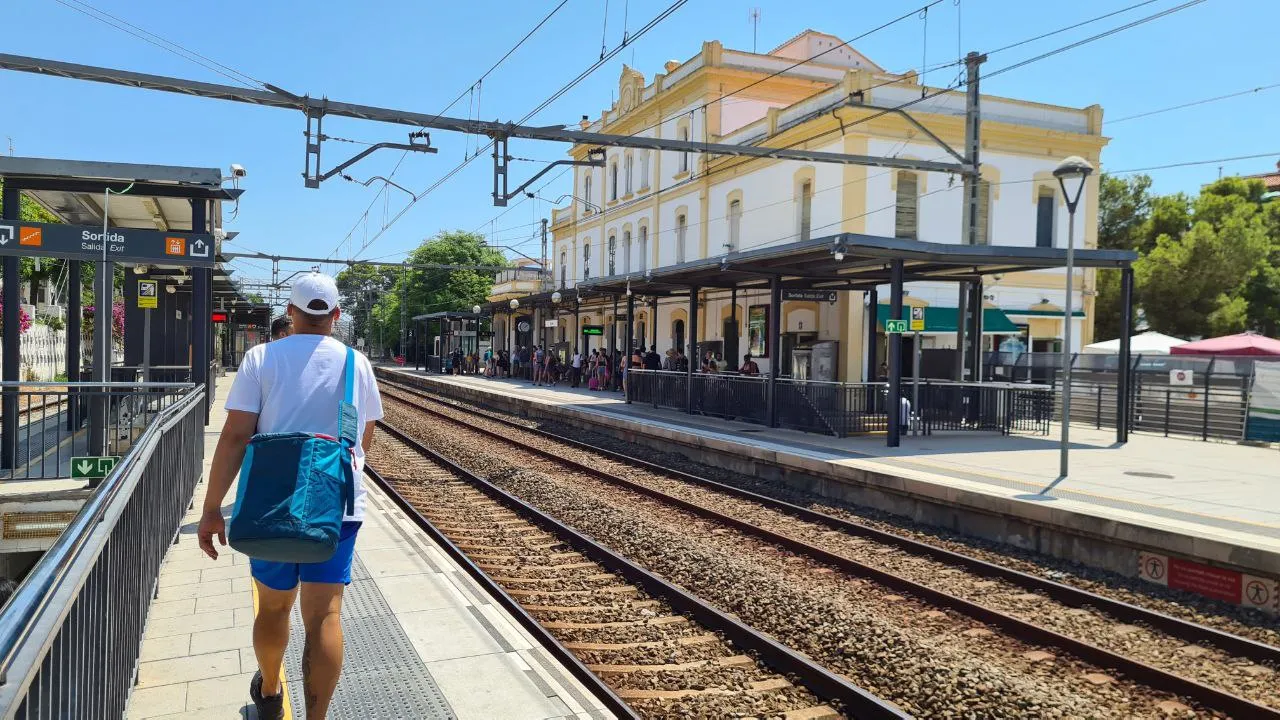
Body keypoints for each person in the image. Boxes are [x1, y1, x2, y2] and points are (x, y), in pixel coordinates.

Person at [198, 273, 383, 720]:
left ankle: (268, 688)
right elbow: (365, 436)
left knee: (275, 605)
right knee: (324, 616)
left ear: (290, 313)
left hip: (268, 507)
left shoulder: (261, 358)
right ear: (336, 316)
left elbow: (235, 437)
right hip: (335, 507)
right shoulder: (355, 363)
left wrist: (210, 511)